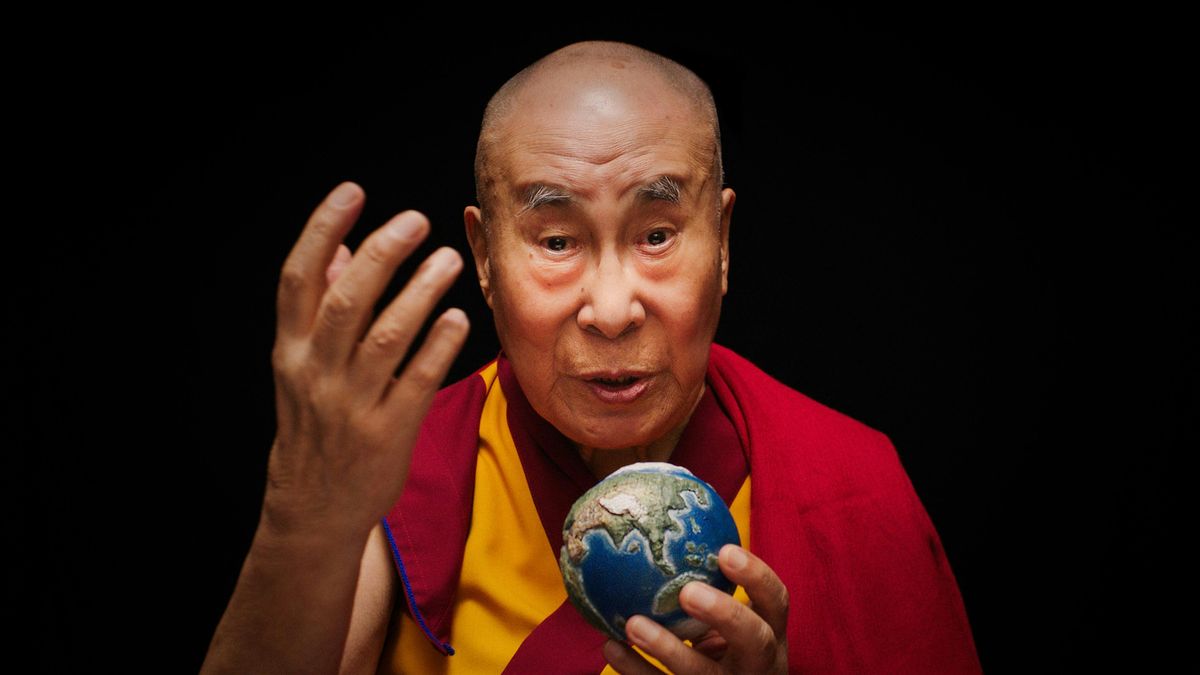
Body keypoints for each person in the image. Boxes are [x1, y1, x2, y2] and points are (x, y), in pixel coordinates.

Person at [201, 40, 982, 674]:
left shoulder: (852, 481)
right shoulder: (397, 469)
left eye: (657, 235)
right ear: (483, 255)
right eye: (555, 241)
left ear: (722, 244)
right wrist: (302, 512)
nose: (611, 310)